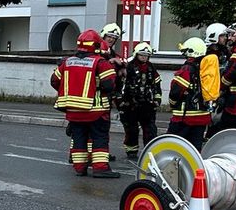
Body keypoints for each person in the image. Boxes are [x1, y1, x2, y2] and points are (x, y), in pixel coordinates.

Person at [52, 29, 120, 178]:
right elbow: (109, 85)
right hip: (95, 110)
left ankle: (80, 168)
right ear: (96, 45)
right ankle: (100, 168)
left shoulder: (67, 62)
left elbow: (54, 81)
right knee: (99, 138)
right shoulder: (100, 62)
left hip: (74, 111)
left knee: (79, 139)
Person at [117, 42, 162, 160]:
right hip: (130, 104)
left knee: (150, 129)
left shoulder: (151, 68)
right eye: (142, 55)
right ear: (136, 54)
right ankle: (131, 151)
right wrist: (121, 101)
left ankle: (150, 150)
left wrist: (157, 99)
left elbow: (157, 84)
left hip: (147, 104)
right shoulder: (129, 67)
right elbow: (121, 85)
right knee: (131, 129)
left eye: (146, 55)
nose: (144, 57)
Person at [167, 37, 213, 150]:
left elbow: (176, 91)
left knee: (172, 146)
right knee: (194, 149)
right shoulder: (205, 68)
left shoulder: (187, 69)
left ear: (191, 51)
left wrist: (172, 104)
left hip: (185, 117)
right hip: (202, 117)